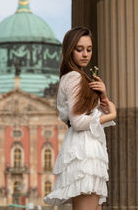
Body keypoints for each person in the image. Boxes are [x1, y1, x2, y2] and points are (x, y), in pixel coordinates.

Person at [43, 26, 117, 210]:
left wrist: (103, 96)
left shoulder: (76, 77)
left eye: (89, 49)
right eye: (79, 49)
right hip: (84, 153)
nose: (85, 54)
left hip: (85, 150)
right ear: (70, 50)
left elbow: (86, 115)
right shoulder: (75, 78)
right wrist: (112, 115)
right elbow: (78, 122)